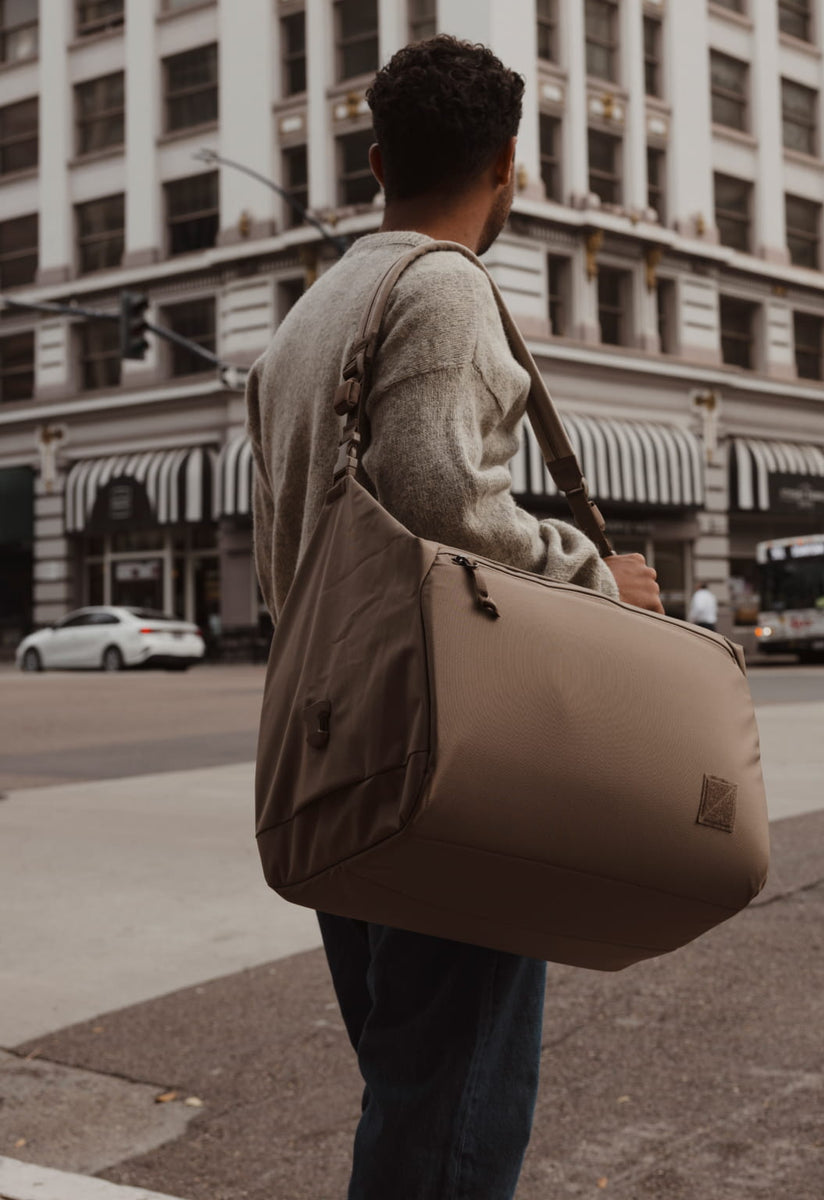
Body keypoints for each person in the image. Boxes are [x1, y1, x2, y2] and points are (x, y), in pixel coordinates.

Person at [245, 35, 662, 1200]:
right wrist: (596, 580)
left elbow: (304, 556)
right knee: (452, 1104)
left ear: (376, 160)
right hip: (439, 756)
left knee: (411, 1077)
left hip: (327, 748)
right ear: (509, 168)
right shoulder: (445, 288)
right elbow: (445, 509)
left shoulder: (303, 322)